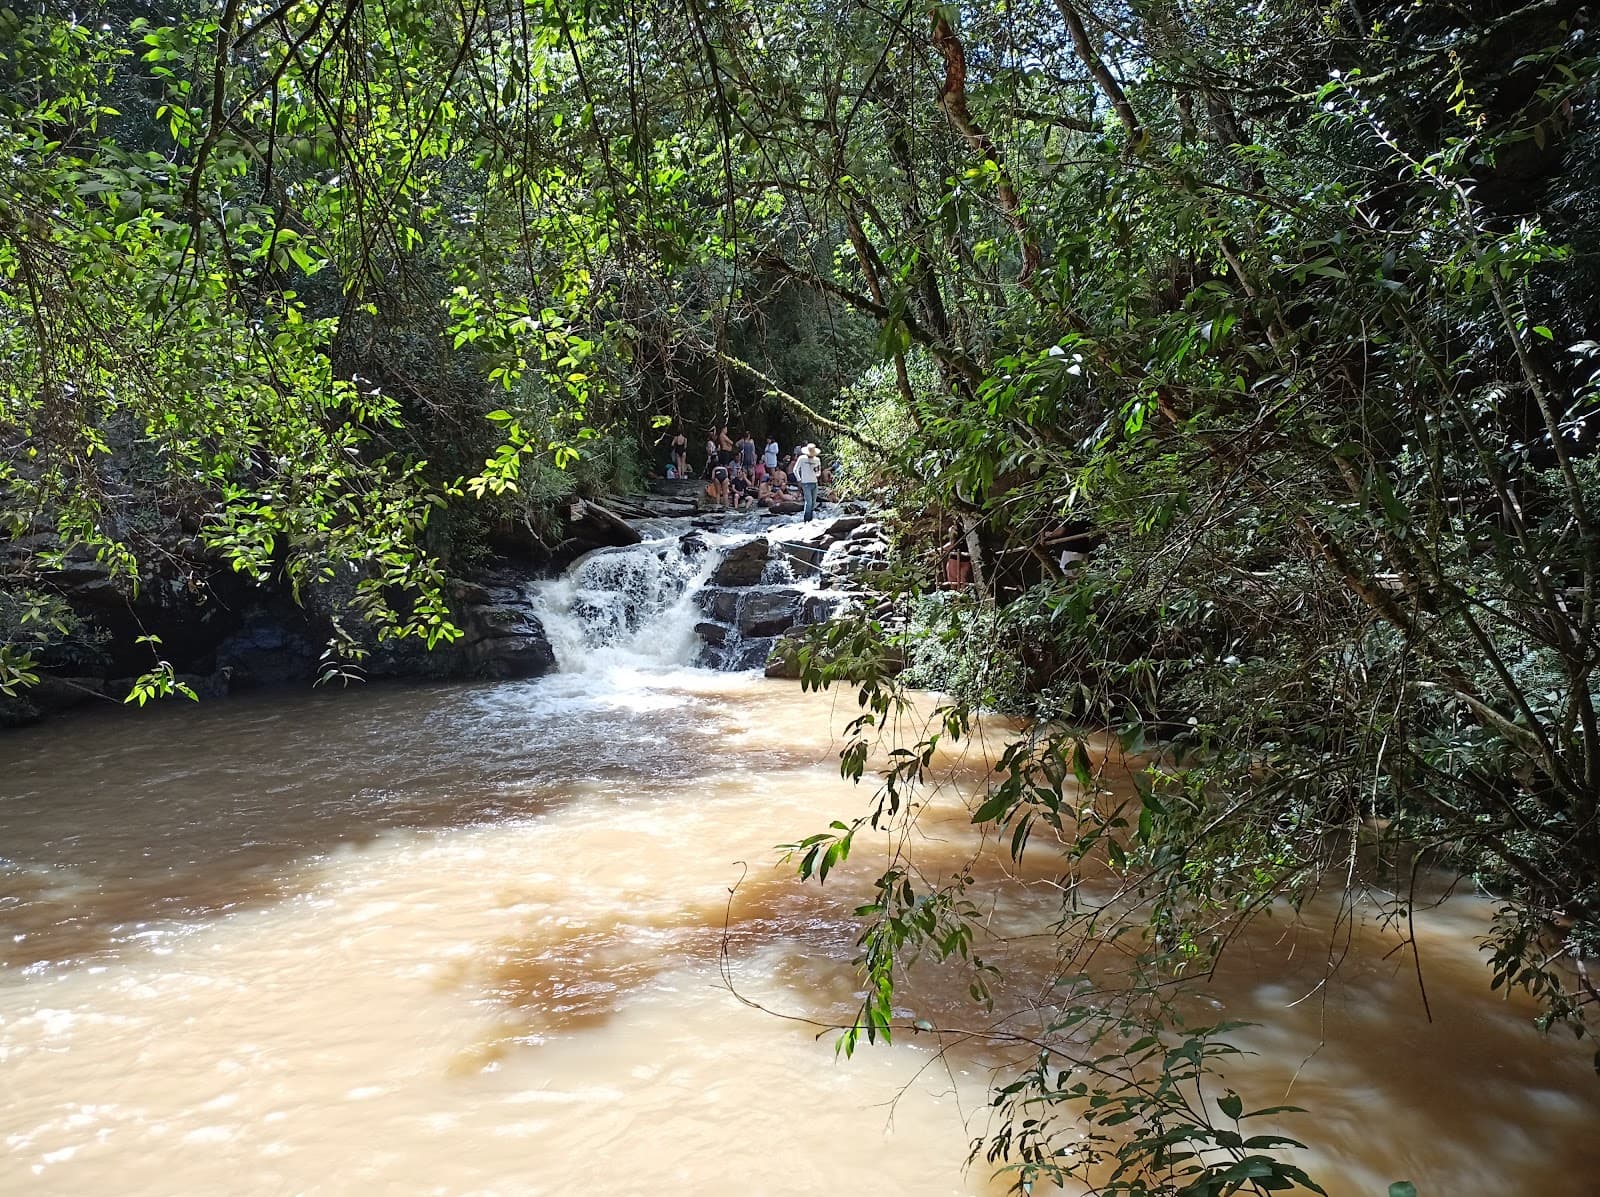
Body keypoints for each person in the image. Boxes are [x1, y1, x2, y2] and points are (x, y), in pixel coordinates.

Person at [793, 442, 821, 521]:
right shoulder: (802, 458)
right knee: (808, 502)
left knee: (813, 503)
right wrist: (799, 480)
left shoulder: (817, 460)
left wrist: (816, 471)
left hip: (814, 483)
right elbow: (795, 469)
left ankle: (810, 519)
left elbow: (818, 473)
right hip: (805, 483)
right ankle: (806, 520)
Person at [941, 523, 972, 588]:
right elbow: (951, 544)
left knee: (959, 579)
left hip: (961, 559)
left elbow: (952, 544)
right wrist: (942, 549)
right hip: (960, 559)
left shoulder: (962, 534)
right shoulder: (965, 534)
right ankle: (958, 594)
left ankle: (959, 594)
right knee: (959, 580)